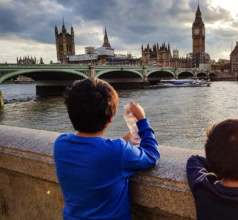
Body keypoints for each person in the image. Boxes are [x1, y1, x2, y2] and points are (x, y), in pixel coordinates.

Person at [54, 79, 160, 220]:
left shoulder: (60, 144)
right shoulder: (119, 151)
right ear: (110, 119)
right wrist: (142, 120)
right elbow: (152, 156)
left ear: (70, 112)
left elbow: (92, 149)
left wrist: (122, 140)